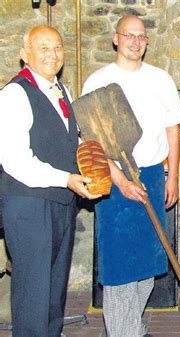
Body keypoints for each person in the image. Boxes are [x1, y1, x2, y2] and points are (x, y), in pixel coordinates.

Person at [81, 15, 180, 337]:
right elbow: (91, 143)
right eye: (129, 35)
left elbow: (173, 130)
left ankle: (132, 327)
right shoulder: (98, 82)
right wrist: (120, 180)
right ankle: (122, 333)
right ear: (116, 39)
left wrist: (173, 176)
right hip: (114, 183)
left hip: (153, 176)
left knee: (150, 265)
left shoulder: (160, 79)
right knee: (120, 269)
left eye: (141, 37)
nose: (135, 42)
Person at [0, 25, 100, 337]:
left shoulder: (63, 92)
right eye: (42, 47)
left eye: (57, 47)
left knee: (54, 292)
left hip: (60, 202)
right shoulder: (15, 94)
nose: (51, 54)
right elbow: (15, 160)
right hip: (28, 205)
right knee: (33, 293)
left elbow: (68, 142)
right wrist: (67, 178)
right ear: (24, 54)